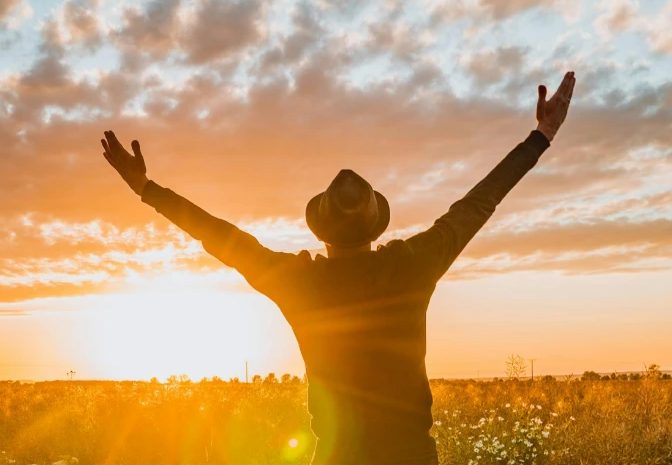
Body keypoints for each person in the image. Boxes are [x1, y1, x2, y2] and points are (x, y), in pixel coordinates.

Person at [101, 72, 576, 464]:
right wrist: (540, 138)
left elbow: (220, 236)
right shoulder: (412, 265)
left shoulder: (299, 283)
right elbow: (478, 204)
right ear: (374, 226)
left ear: (320, 230)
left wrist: (147, 188)